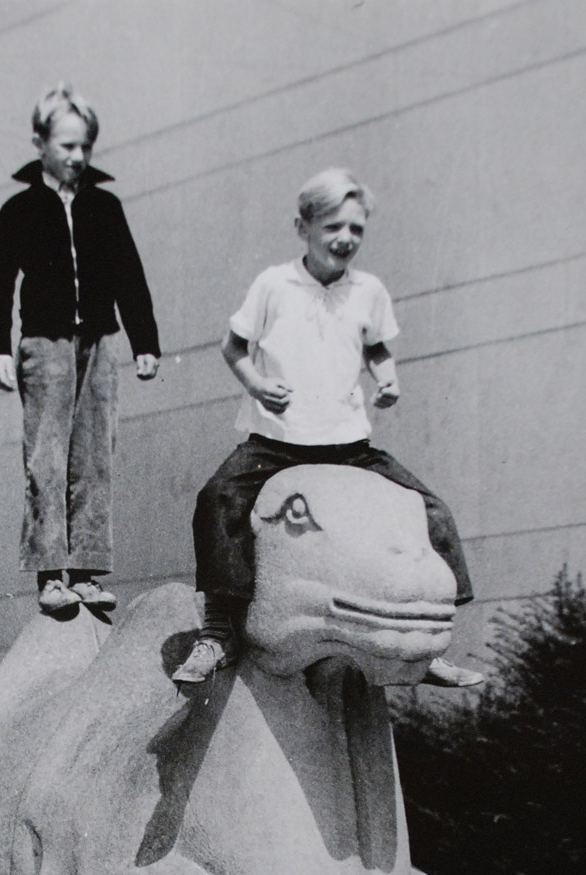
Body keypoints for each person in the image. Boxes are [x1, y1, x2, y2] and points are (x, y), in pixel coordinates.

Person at [173, 166, 482, 687]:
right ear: (304, 228)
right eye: (333, 227)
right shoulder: (274, 284)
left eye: (356, 229)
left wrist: (386, 379)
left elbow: (378, 348)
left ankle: (425, 645)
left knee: (429, 509)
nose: (345, 239)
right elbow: (233, 347)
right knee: (218, 499)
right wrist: (255, 384)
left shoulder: (369, 291)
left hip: (348, 445)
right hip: (279, 441)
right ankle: (219, 628)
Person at [0, 83, 160, 613]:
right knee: (47, 458)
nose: (77, 157)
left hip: (100, 342)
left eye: (85, 146)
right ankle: (49, 575)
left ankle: (85, 571)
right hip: (45, 343)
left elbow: (130, 274)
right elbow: (0, 284)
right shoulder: (19, 209)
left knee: (95, 455)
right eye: (66, 146)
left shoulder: (105, 206)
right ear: (40, 142)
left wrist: (145, 341)